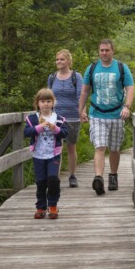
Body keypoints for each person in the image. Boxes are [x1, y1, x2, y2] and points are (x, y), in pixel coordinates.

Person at [78, 39, 135, 196]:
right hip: (97, 114)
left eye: (107, 50)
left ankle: (113, 176)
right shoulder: (92, 68)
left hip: (116, 114)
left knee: (114, 149)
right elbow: (85, 91)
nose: (104, 53)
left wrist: (127, 107)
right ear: (99, 51)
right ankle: (98, 178)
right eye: (101, 50)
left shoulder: (122, 67)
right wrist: (80, 110)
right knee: (100, 146)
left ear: (112, 51)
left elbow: (130, 89)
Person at [24, 88, 68, 219]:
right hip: (38, 154)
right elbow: (26, 132)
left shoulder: (58, 119)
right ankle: (41, 207)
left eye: (48, 101)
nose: (46, 104)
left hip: (53, 154)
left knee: (53, 178)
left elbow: (65, 133)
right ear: (38, 103)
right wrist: (40, 127)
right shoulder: (32, 118)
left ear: (53, 103)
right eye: (42, 101)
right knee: (41, 181)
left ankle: (53, 205)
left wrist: (55, 129)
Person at [47, 49, 84, 188]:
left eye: (62, 59)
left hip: (73, 117)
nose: (59, 62)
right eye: (57, 59)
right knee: (56, 148)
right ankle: (55, 177)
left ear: (68, 61)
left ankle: (72, 176)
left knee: (71, 147)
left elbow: (81, 95)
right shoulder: (52, 77)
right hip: (56, 118)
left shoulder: (76, 77)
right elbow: (48, 97)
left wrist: (83, 112)